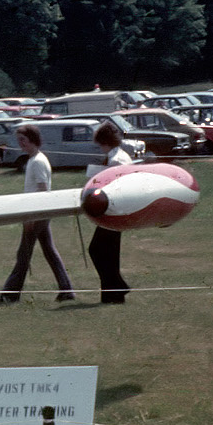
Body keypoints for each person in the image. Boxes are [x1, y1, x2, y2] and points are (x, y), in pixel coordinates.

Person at [0, 124, 75, 304]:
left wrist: (31, 217)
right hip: (38, 213)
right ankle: (67, 290)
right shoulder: (33, 159)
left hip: (37, 214)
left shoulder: (38, 161)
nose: (20, 143)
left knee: (23, 255)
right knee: (49, 252)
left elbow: (42, 190)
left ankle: (10, 295)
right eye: (19, 140)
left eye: (23, 140)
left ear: (33, 140)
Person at [86, 122, 131, 304]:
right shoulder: (122, 156)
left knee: (96, 250)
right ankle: (112, 293)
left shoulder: (115, 161)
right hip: (119, 210)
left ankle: (117, 286)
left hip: (114, 211)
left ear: (105, 142)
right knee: (110, 252)